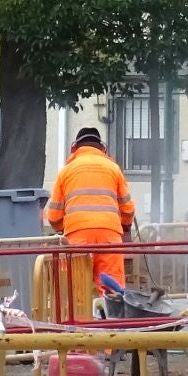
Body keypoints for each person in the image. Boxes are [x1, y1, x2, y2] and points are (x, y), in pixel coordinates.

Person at [44, 125, 136, 319]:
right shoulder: (113, 168)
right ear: (102, 148)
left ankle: (81, 342)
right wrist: (124, 224)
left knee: (78, 290)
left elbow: (53, 216)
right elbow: (128, 209)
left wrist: (66, 227)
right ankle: (113, 345)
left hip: (77, 237)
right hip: (109, 235)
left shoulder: (66, 172)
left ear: (74, 148)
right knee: (111, 290)